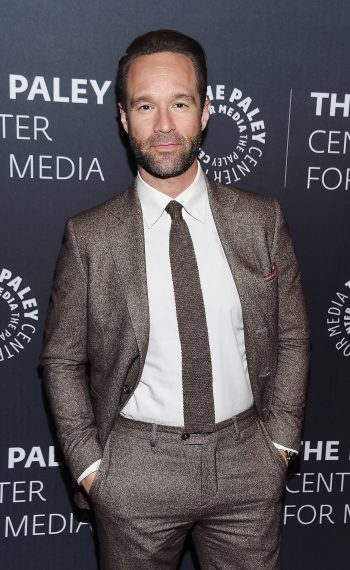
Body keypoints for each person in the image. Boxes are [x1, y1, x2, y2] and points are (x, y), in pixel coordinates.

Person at [40, 29, 310, 570]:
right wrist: (93, 468)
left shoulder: (262, 220)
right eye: (145, 106)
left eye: (180, 104)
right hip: (135, 469)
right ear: (123, 117)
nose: (164, 126)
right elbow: (61, 359)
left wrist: (278, 443)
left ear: (206, 111)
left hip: (248, 463)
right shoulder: (90, 235)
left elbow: (293, 335)